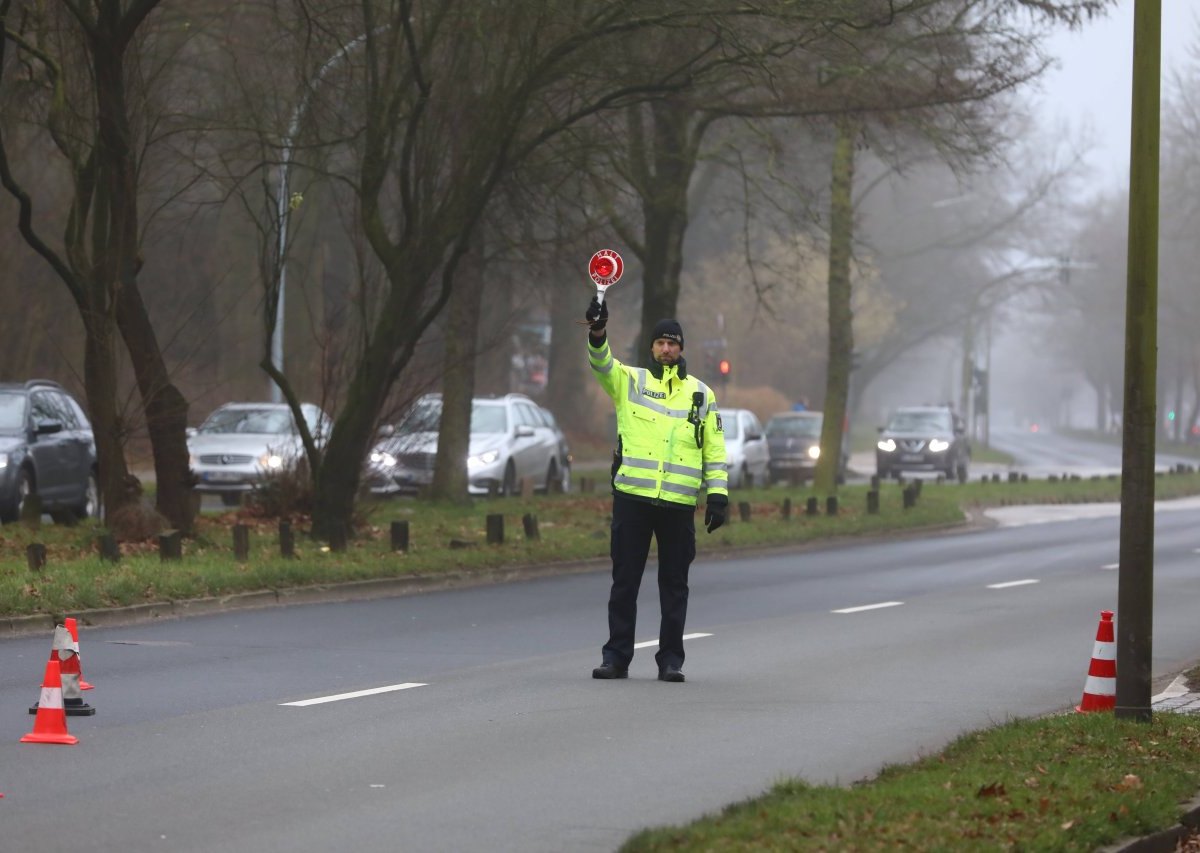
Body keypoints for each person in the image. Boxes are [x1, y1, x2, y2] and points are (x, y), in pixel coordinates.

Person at [584, 295, 728, 683]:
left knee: (675, 585)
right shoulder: (630, 381)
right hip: (633, 498)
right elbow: (600, 362)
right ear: (651, 347)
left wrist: (718, 495)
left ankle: (670, 660)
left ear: (682, 348)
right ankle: (616, 657)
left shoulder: (701, 394)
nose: (666, 349)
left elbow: (714, 449)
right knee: (625, 581)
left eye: (673, 343)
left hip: (679, 504)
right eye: (661, 343)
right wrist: (598, 331)